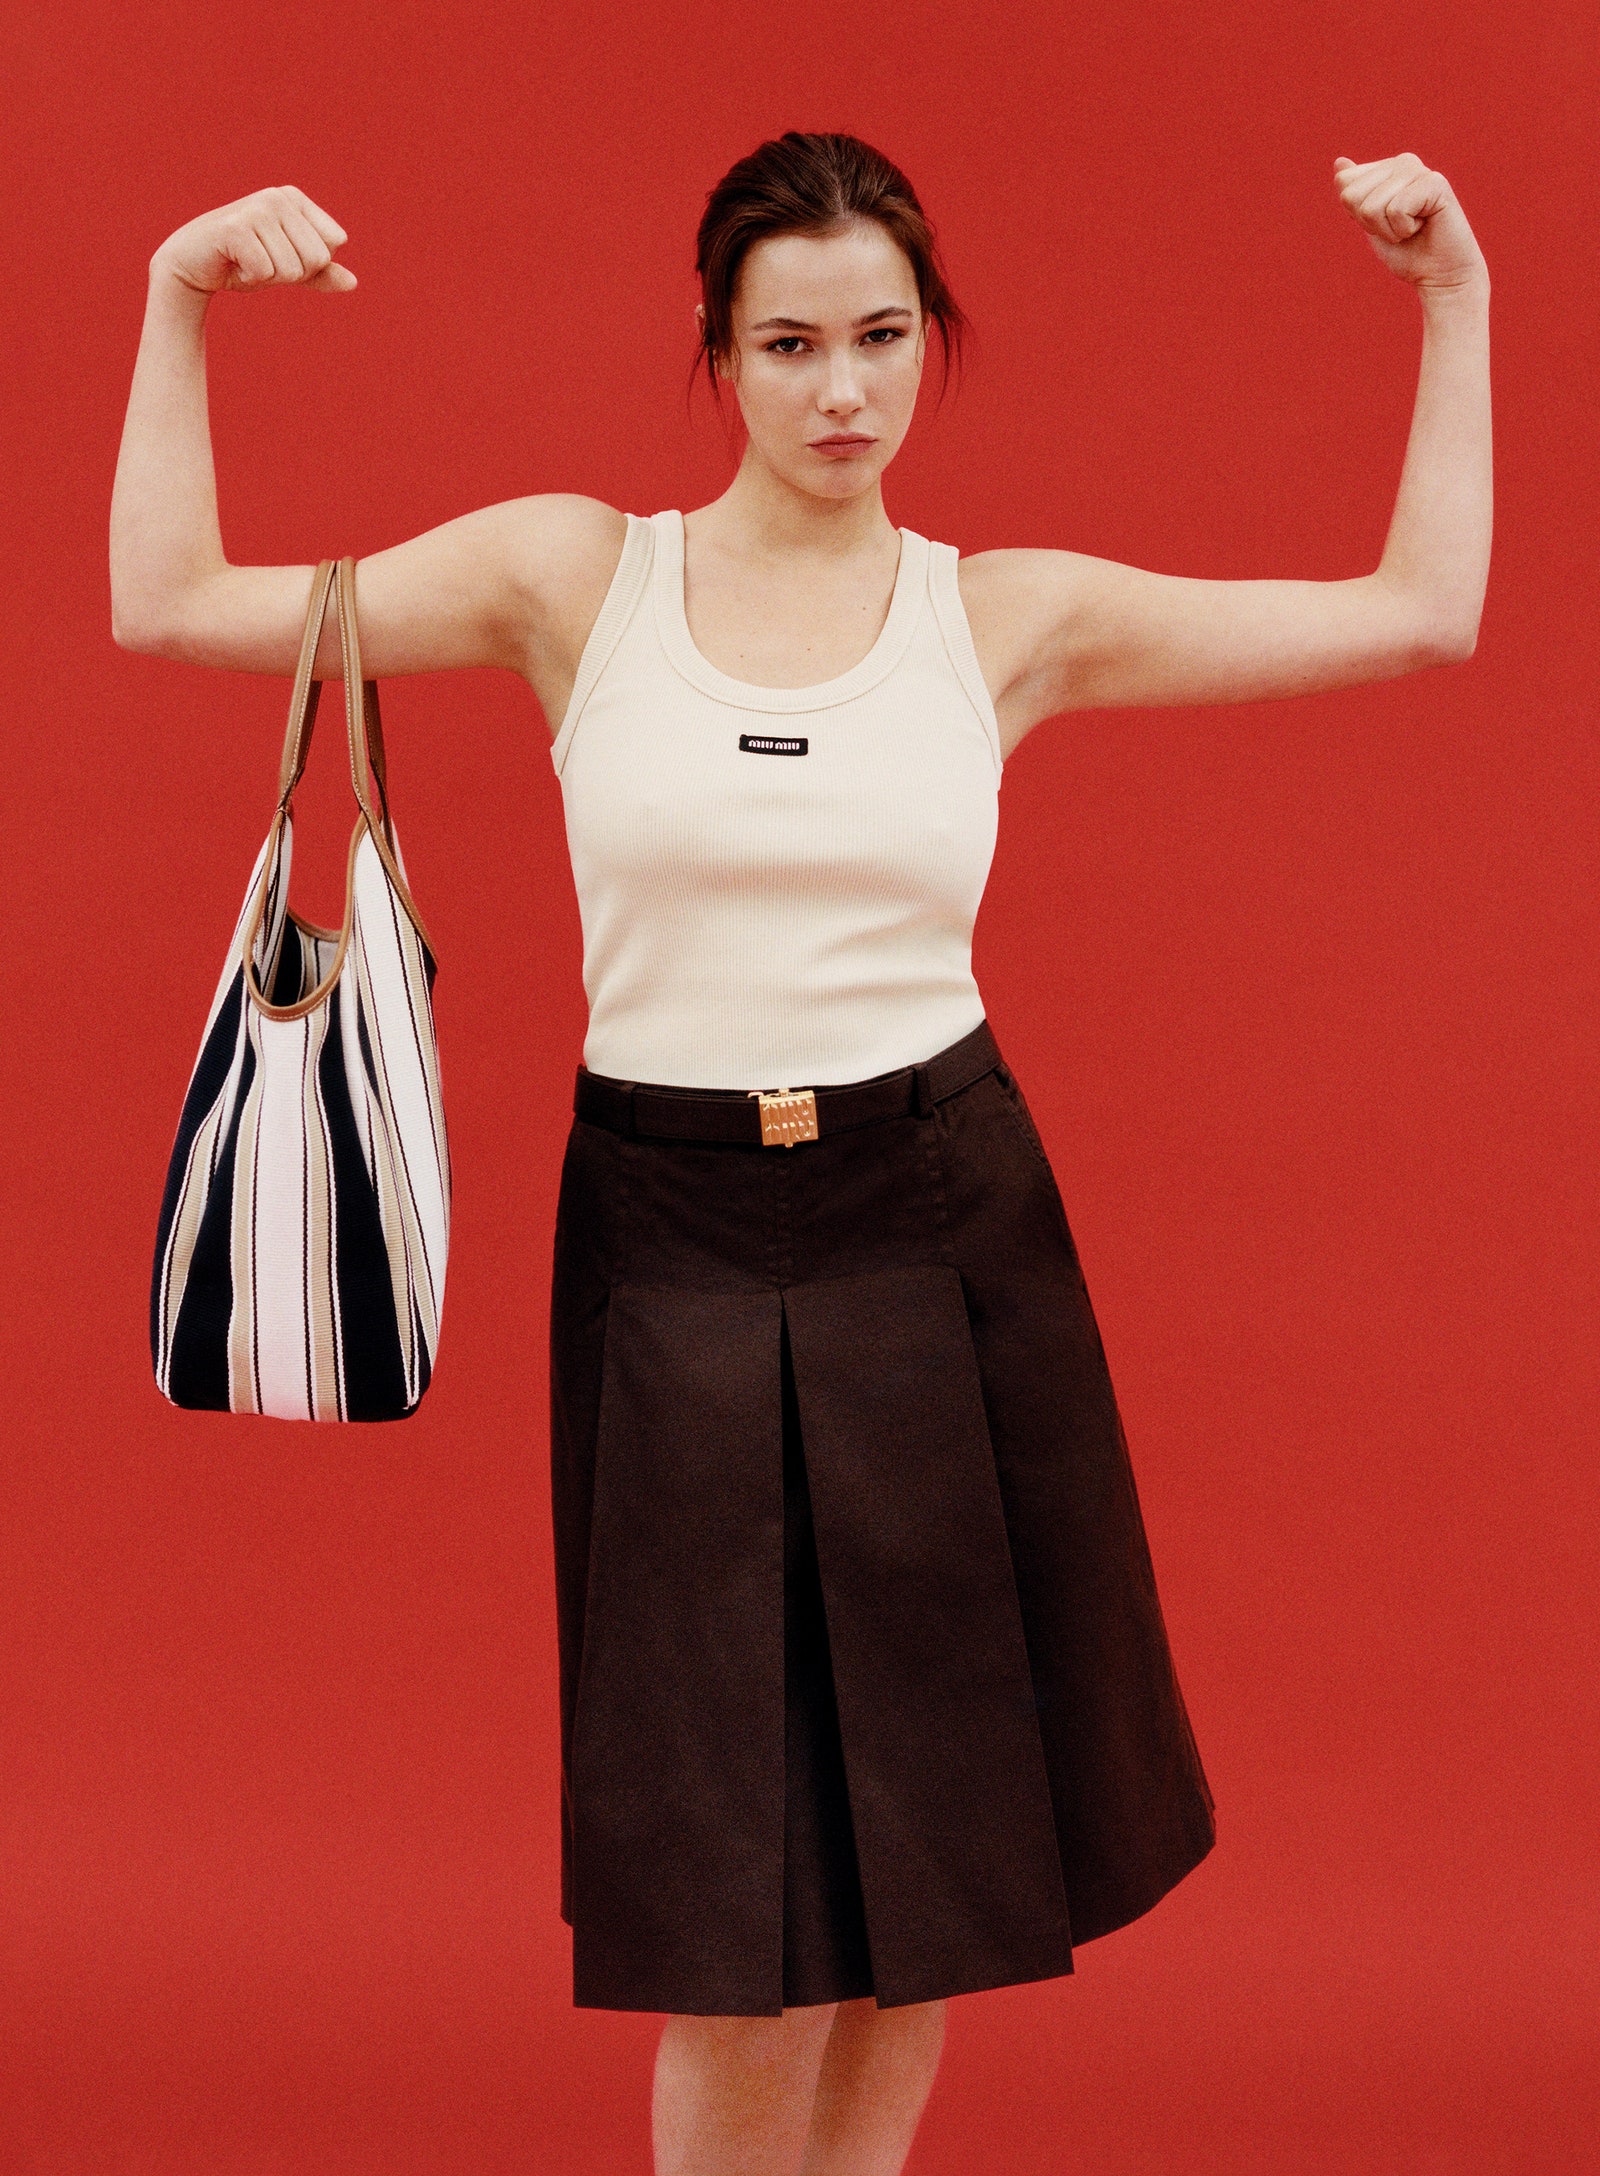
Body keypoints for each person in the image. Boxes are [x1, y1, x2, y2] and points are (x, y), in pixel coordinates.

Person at [110, 130, 1490, 2176]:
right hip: (666, 1243)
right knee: (737, 1914)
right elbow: (169, 607)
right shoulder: (579, 576)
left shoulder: (996, 615)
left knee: (926, 1874)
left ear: (926, 342)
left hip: (942, 1231)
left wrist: (1451, 304)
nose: (841, 390)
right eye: (787, 343)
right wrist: (175, 293)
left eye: (879, 337)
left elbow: (1416, 615)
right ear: (717, 354)